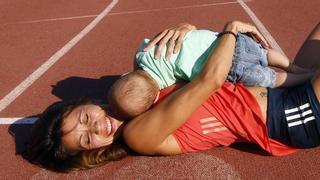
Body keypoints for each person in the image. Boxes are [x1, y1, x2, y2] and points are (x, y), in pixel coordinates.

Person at [25, 21, 320, 172]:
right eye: (88, 139)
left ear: (84, 104)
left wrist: (187, 30)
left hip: (282, 86)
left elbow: (186, 58)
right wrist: (229, 31)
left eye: (86, 119)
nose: (98, 127)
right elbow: (211, 79)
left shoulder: (134, 92)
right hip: (288, 115)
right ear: (93, 151)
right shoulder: (139, 135)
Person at [108, 28, 313, 119]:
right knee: (265, 54)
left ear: (154, 98)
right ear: (126, 73)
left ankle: (304, 78)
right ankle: (292, 66)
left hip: (228, 67)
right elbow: (150, 43)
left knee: (271, 79)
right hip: (227, 41)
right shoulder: (144, 53)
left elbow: (189, 83)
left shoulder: (164, 84)